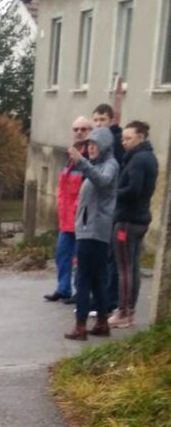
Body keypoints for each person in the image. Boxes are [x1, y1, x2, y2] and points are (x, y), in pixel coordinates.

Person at [64, 126, 118, 341]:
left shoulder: (109, 165)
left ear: (104, 145)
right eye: (89, 145)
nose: (91, 148)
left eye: (94, 144)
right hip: (91, 230)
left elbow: (103, 181)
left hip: (93, 231)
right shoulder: (98, 166)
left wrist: (82, 162)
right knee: (96, 280)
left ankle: (80, 327)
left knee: (84, 279)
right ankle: (102, 322)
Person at [108, 121, 158, 329]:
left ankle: (124, 311)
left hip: (128, 220)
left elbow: (133, 190)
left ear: (141, 137)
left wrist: (112, 194)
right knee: (133, 266)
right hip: (140, 218)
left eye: (128, 138)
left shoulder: (138, 160)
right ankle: (129, 310)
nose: (124, 142)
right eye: (123, 138)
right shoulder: (149, 158)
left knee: (125, 268)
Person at [44, 116, 91, 302]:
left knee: (79, 260)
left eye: (83, 129)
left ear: (90, 132)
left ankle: (80, 293)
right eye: (76, 129)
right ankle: (63, 288)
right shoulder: (70, 156)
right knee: (62, 255)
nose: (79, 132)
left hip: (80, 219)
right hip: (66, 219)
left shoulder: (88, 157)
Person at [91, 103, 124, 314]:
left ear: (111, 121)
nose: (98, 124)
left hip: (113, 211)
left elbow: (106, 180)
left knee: (111, 258)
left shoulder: (115, 148)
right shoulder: (95, 146)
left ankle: (110, 301)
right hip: (97, 211)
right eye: (96, 120)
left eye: (102, 120)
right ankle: (99, 299)